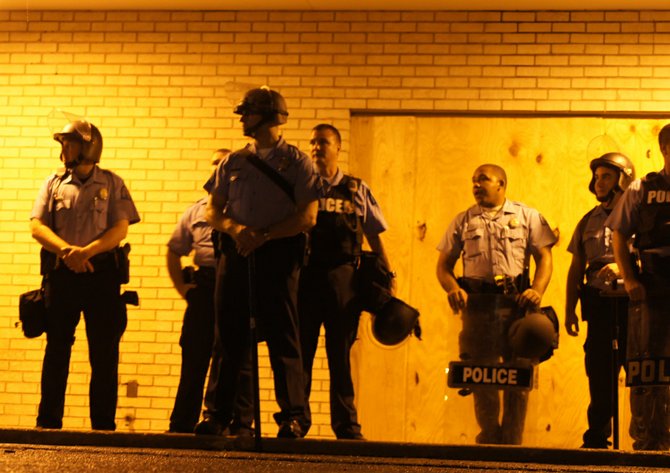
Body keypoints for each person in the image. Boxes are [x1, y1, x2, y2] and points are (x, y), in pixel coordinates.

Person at [201, 86, 319, 438]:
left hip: (278, 256)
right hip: (236, 252)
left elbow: (308, 217)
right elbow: (212, 210)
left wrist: (264, 235)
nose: (242, 118)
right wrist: (236, 229)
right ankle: (217, 415)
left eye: (248, 112)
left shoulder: (298, 163)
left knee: (284, 337)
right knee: (228, 337)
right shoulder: (232, 162)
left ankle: (293, 417)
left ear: (268, 115)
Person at [29, 119, 140, 430]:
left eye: (69, 143)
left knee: (104, 351)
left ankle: (103, 425)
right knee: (57, 348)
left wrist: (86, 252)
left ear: (88, 146)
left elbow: (120, 229)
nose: (63, 149)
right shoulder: (52, 183)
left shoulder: (112, 183)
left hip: (101, 275)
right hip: (61, 275)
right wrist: (67, 253)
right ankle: (48, 422)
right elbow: (37, 226)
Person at [436, 164, 556, 445]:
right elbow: (443, 266)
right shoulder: (463, 220)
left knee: (518, 376)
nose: (476, 185)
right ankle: (488, 438)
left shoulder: (527, 216)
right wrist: (453, 288)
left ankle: (512, 442)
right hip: (478, 308)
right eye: (473, 180)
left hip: (516, 306)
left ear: (501, 184)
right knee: (482, 377)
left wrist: (537, 290)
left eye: (483, 180)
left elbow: (545, 257)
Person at [299, 123, 394, 440]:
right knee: (302, 354)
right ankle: (297, 420)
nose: (316, 147)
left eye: (323, 142)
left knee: (340, 356)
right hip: (307, 276)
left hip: (344, 278)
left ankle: (347, 425)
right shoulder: (301, 187)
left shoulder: (355, 189)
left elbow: (374, 235)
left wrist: (388, 273)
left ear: (338, 148)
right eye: (312, 142)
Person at [167, 148, 249, 434]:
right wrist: (184, 290)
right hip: (204, 286)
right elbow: (174, 251)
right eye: (214, 164)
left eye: (222, 166)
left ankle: (239, 425)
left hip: (237, 284)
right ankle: (182, 424)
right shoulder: (196, 210)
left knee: (237, 357)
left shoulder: (245, 211)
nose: (217, 170)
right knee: (194, 357)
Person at [565, 153, 636, 449]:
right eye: (597, 176)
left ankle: (646, 439)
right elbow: (576, 268)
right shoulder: (587, 221)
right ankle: (596, 439)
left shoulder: (641, 216)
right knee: (599, 374)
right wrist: (569, 309)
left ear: (622, 179)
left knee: (640, 375)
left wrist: (623, 266)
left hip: (633, 306)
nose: (599, 182)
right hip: (598, 306)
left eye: (606, 176)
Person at [608, 125, 670, 451]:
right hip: (652, 292)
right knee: (648, 369)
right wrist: (629, 278)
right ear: (665, 149)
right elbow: (619, 235)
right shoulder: (642, 188)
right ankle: (648, 442)